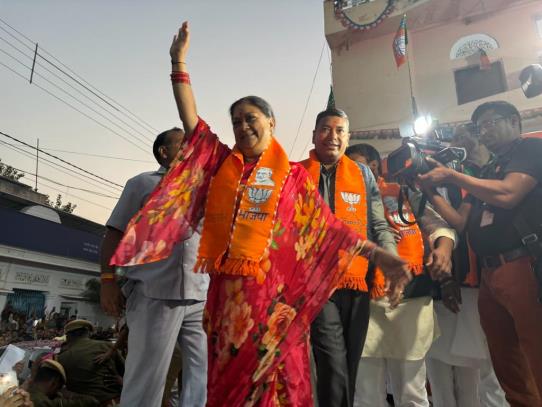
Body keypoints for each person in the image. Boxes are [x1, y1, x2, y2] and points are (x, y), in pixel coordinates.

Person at [109, 21, 411, 406]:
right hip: (227, 299)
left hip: (276, 301)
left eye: (251, 118)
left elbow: (329, 229)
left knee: (278, 387)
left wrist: (379, 254)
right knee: (230, 387)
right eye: (236, 121)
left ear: (271, 122)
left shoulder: (293, 178)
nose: (243, 126)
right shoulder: (221, 165)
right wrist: (178, 62)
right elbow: (192, 123)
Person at [419, 100, 542, 406]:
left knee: (537, 350)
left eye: (490, 123)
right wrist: (426, 189)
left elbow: (509, 194)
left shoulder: (530, 149)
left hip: (523, 263)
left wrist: (452, 176)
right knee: (506, 361)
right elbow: (460, 221)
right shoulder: (488, 170)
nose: (484, 132)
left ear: (514, 121)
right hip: (490, 274)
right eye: (480, 127)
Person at [100, 127, 209, 407]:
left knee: (202, 375)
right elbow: (114, 233)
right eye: (182, 144)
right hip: (155, 293)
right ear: (164, 152)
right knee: (147, 378)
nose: (190, 149)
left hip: (199, 294)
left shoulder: (203, 187)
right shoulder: (142, 184)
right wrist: (108, 281)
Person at [299, 112, 397, 407]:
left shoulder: (363, 175)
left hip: (356, 279)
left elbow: (377, 224)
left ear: (348, 137)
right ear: (314, 134)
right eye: (325, 129)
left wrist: (391, 259)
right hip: (316, 284)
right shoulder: (297, 173)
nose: (333, 136)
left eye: (340, 130)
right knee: (332, 362)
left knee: (349, 363)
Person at [347, 143, 455, 407]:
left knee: (412, 393)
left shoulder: (403, 193)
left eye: (354, 165)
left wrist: (443, 249)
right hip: (362, 304)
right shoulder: (340, 200)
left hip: (409, 300)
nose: (347, 172)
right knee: (366, 396)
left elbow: (439, 227)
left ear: (374, 166)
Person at [425, 126, 508, 407]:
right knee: (477, 360)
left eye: (463, 138)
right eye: (455, 139)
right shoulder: (457, 179)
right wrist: (428, 188)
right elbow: (457, 223)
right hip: (471, 281)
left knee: (497, 361)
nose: (458, 144)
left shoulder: (501, 172)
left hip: (507, 272)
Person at [56, 320, 123, 406]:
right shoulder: (107, 346)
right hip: (112, 402)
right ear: (88, 333)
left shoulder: (61, 357)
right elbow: (126, 372)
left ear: (68, 337)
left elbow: (56, 387)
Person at [26, 359, 99, 407]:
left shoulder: (23, 391)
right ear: (53, 383)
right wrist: (66, 393)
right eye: (59, 387)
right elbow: (92, 401)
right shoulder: (44, 402)